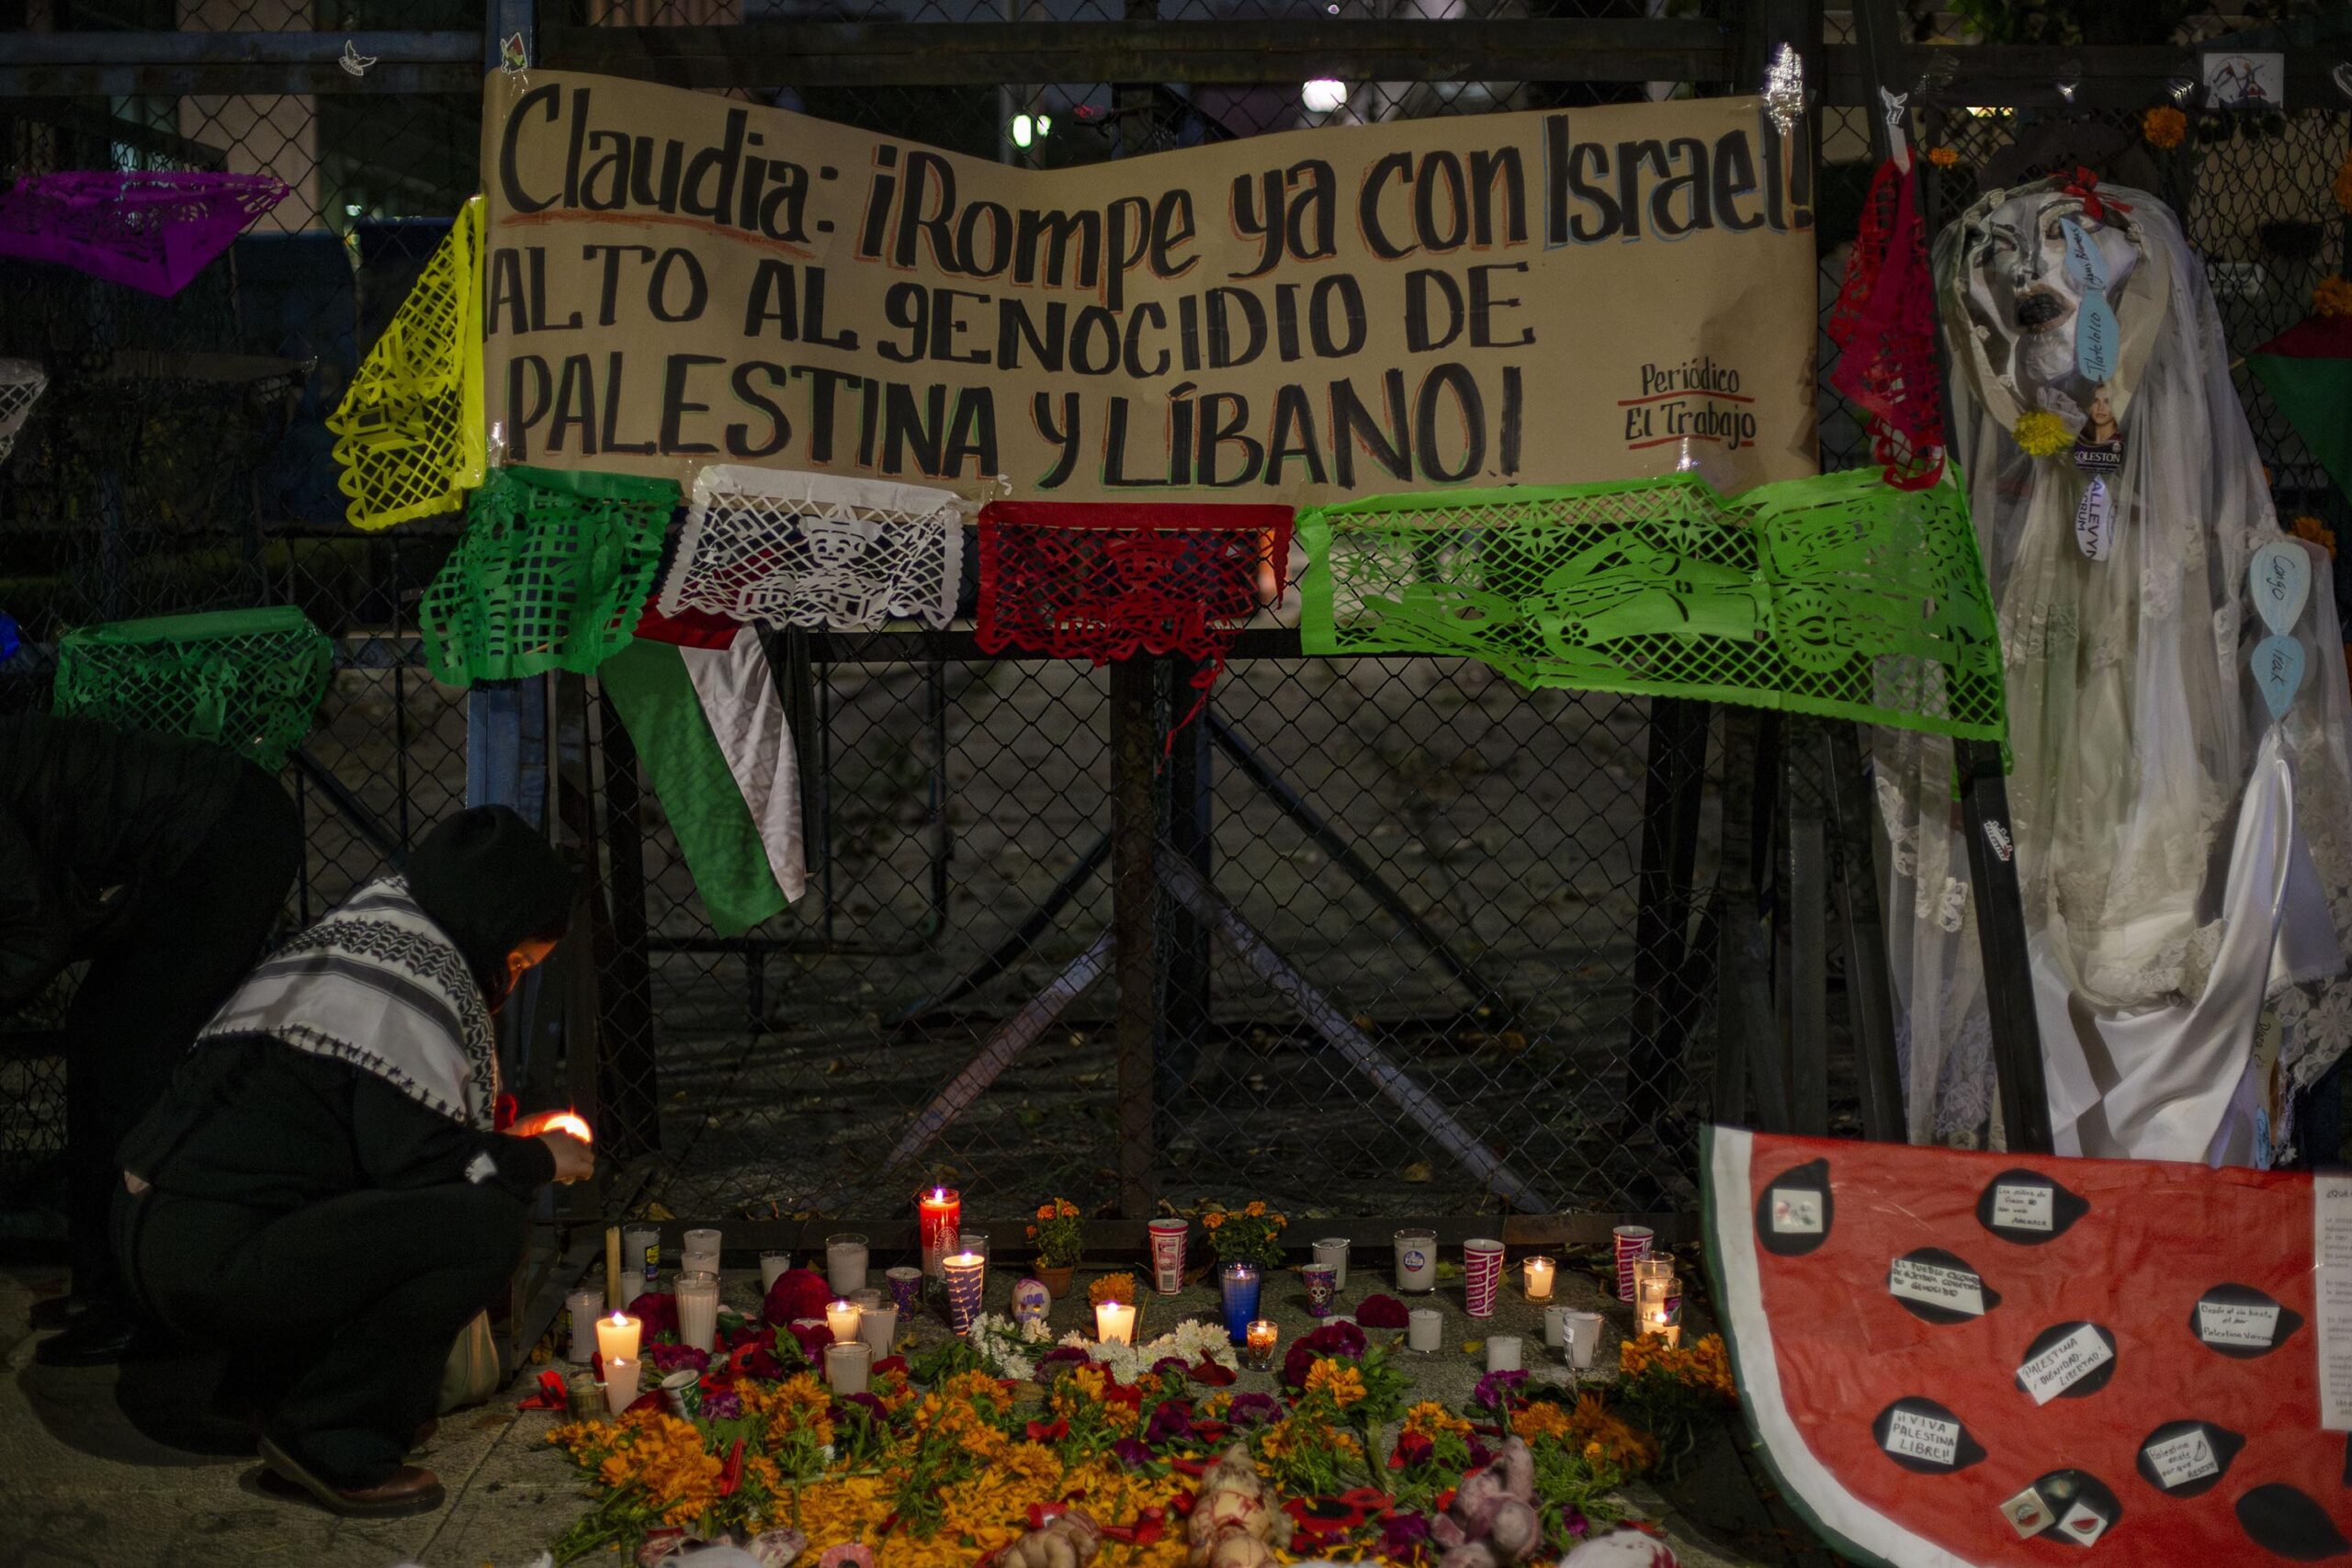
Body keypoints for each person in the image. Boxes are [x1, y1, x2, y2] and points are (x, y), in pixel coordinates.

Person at [113, 805, 593, 1517]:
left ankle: (262, 1387)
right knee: (483, 1226)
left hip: (151, 1233)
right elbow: (435, 1176)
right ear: (490, 929)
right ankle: (330, 1437)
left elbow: (350, 1142)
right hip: (206, 1265)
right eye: (518, 962)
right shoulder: (412, 985)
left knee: (397, 1204)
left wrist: (500, 1143)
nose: (512, 984)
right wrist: (538, 1159)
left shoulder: (365, 940)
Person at [0, 711, 302, 1365]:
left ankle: (143, 1307)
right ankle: (101, 1286)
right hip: (192, 847)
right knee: (97, 1039)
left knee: (129, 1066)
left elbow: (34, 935)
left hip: (224, 840)